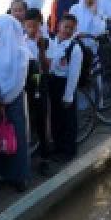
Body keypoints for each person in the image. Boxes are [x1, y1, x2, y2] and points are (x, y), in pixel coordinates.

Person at [0, 14, 32, 191]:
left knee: (16, 137)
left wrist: (5, 99)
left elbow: (18, 81)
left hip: (13, 100)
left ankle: (19, 176)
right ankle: (0, 173)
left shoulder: (21, 52)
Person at [46, 13, 84, 161]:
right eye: (65, 26)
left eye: (71, 28)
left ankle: (68, 151)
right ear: (59, 26)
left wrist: (68, 95)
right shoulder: (53, 41)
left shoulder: (74, 48)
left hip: (65, 84)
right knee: (56, 117)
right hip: (54, 82)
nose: (67, 30)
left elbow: (74, 74)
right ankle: (57, 146)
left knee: (68, 119)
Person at [23, 8, 51, 160]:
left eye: (35, 26)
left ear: (40, 25)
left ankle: (45, 158)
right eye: (29, 26)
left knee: (41, 119)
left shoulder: (45, 41)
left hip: (40, 82)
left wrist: (41, 47)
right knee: (29, 120)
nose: (32, 30)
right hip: (27, 84)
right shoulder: (22, 41)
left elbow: (46, 67)